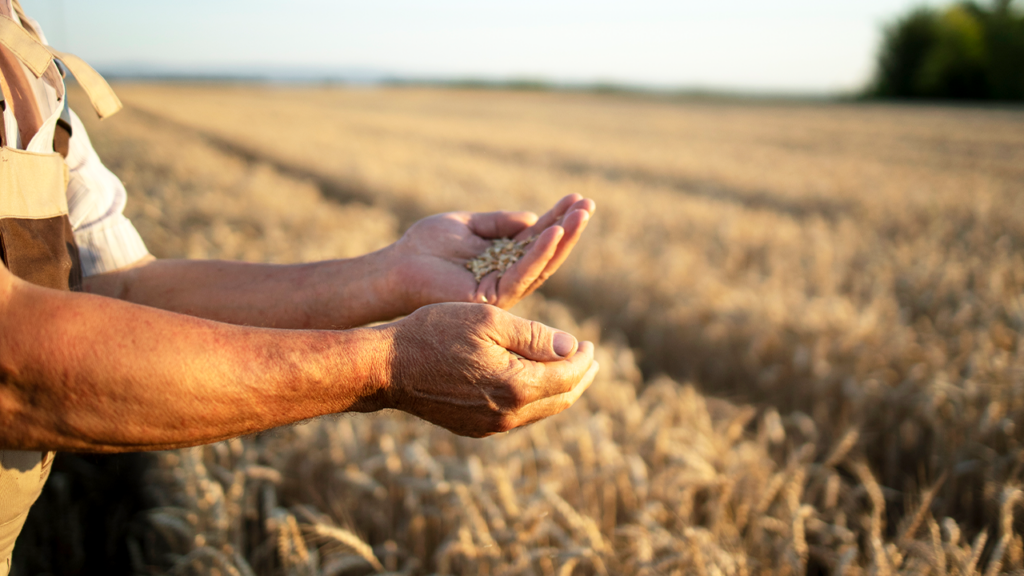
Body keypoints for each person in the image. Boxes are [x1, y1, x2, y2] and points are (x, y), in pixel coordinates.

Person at [0, 2, 598, 572]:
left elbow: (116, 286)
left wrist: (390, 273)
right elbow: (12, 360)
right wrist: (390, 365)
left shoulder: (20, 38)